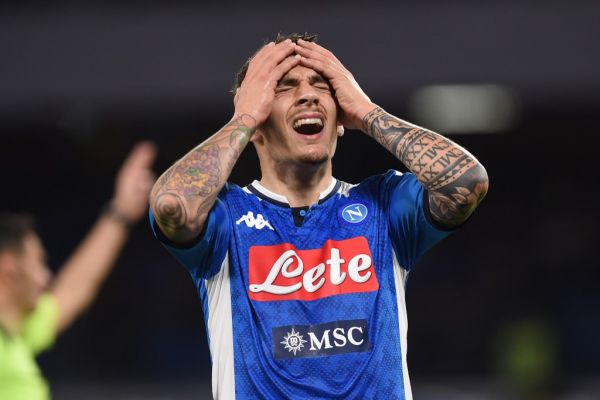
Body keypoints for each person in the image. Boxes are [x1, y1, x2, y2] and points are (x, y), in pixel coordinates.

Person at [149, 33, 489, 399]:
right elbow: (172, 205)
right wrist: (243, 117)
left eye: (322, 86)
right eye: (285, 87)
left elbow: (468, 182)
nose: (308, 95)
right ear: (258, 120)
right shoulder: (226, 218)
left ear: (340, 115)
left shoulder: (383, 205)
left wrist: (368, 111)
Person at [0, 141, 156, 400]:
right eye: (37, 263)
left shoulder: (16, 336)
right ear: (8, 266)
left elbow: (71, 293)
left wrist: (121, 213)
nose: (46, 277)